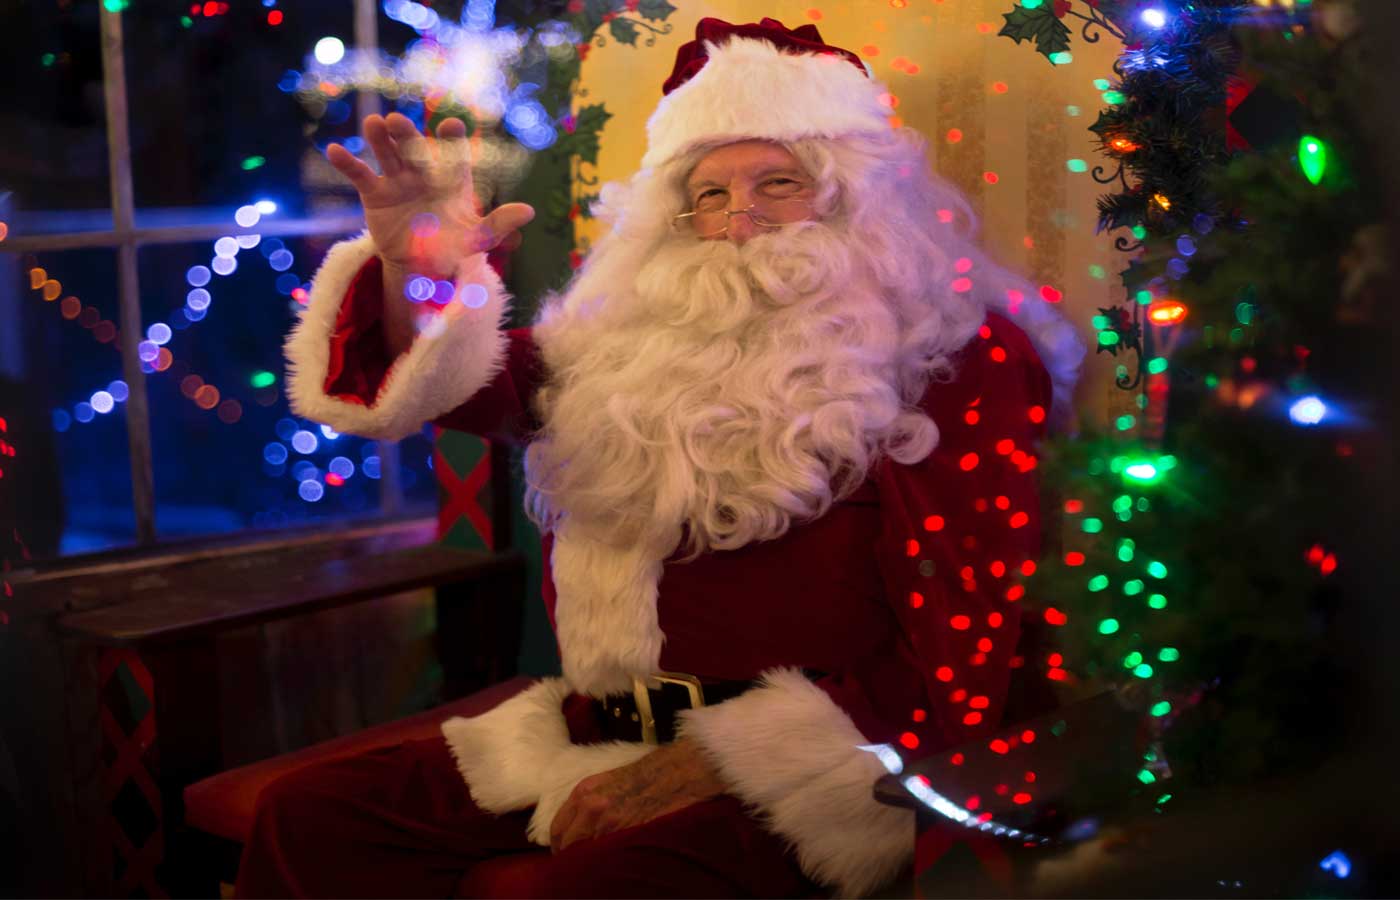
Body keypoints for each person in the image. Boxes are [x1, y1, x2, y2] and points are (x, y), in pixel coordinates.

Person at [241, 17, 1084, 899]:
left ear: (853, 198)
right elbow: (444, 383)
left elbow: (963, 633)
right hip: (588, 731)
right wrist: (411, 268)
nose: (737, 219)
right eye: (708, 193)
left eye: (778, 183)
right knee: (309, 819)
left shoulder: (956, 356)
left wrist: (718, 766)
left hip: (820, 769)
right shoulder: (617, 346)